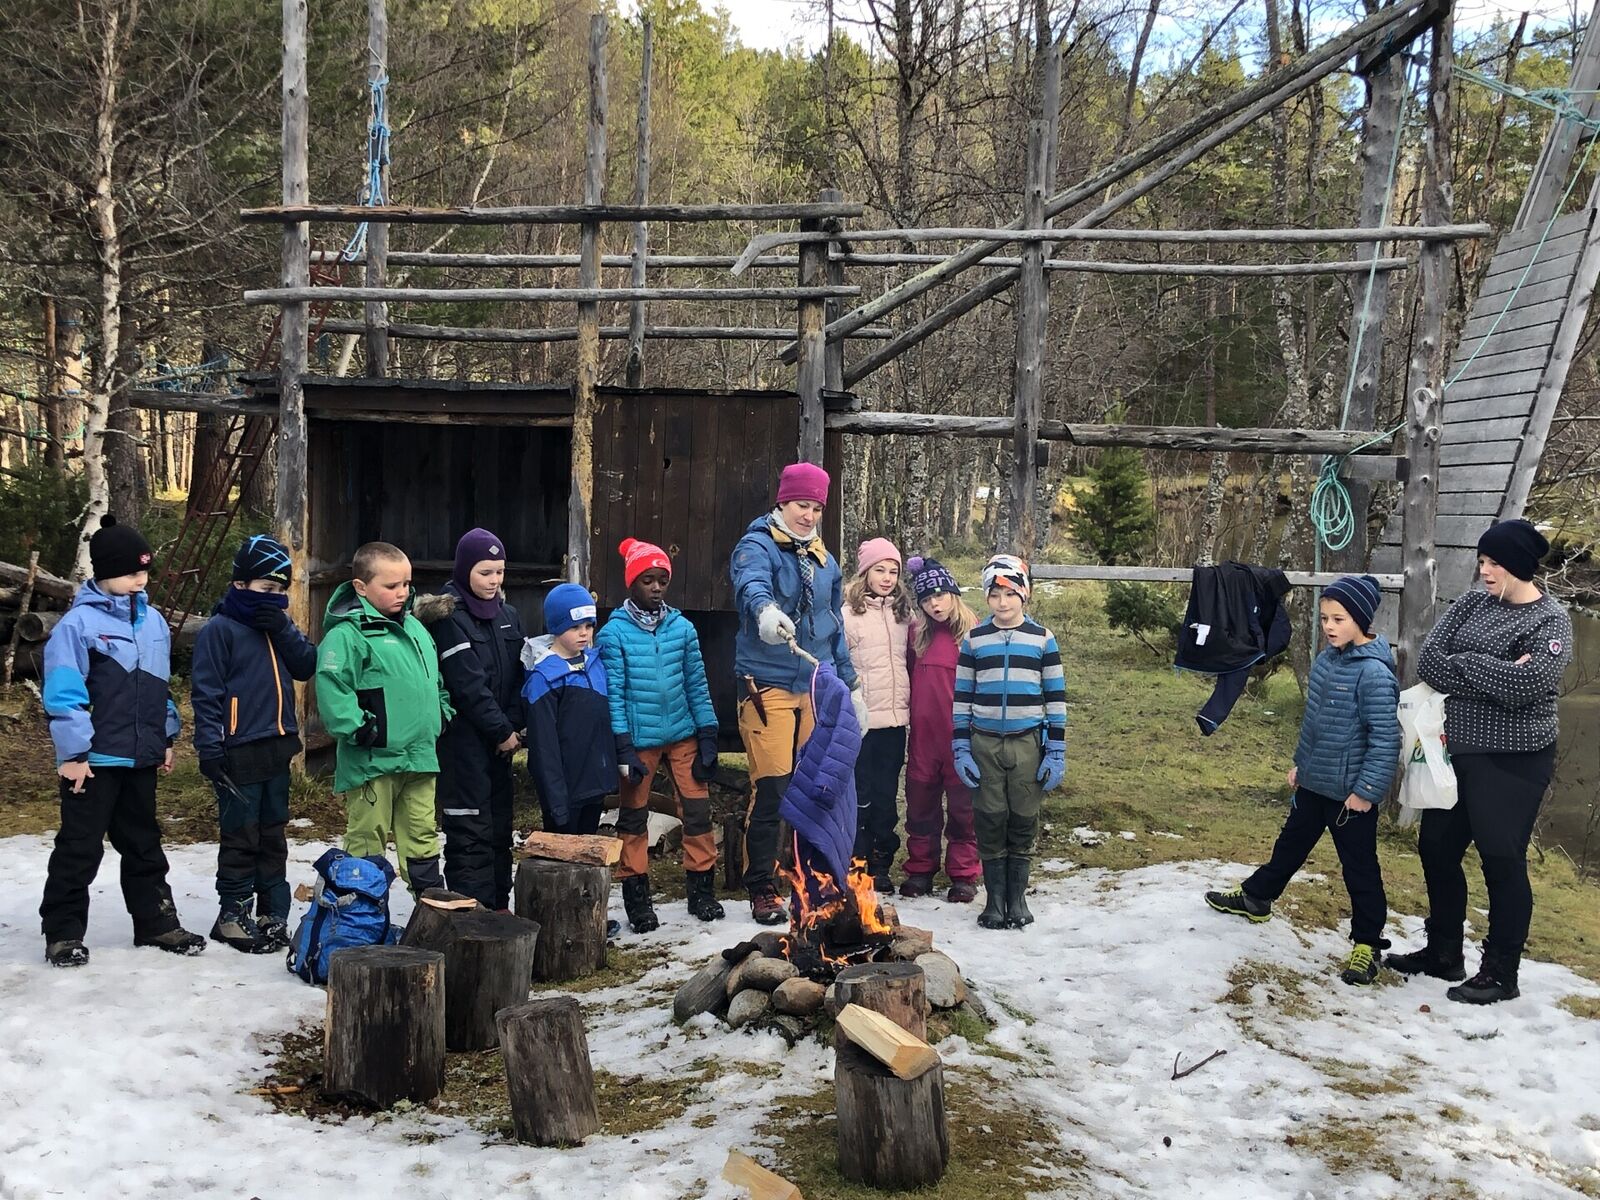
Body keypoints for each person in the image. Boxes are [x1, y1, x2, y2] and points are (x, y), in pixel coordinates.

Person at [1389, 519, 1573, 1004]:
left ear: (1518, 565)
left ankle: (1501, 972)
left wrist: (1464, 666)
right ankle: (1444, 952)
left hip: (1515, 759)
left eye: (1494, 563)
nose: (1485, 571)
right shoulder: (1473, 603)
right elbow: (1430, 661)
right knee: (1436, 848)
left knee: (1500, 858)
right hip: (1456, 751)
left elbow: (1527, 688)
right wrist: (1491, 669)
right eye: (1483, 562)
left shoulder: (1550, 621)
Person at [1204, 575, 1400, 985]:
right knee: (1289, 847)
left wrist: (1365, 792)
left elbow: (1385, 741)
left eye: (1339, 619)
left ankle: (1367, 944)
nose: (1329, 626)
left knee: (1359, 869)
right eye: (1325, 618)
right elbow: (1313, 726)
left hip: (1350, 798)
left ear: (1361, 621)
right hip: (1314, 784)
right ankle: (1257, 897)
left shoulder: (1376, 675)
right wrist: (1300, 765)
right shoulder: (1327, 660)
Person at [38, 516, 206, 966]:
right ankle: (63, 931)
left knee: (144, 844)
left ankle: (156, 923)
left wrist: (165, 736)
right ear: (103, 570)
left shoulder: (152, 622)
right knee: (80, 846)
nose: (140, 579)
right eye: (131, 571)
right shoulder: (78, 626)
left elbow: (157, 686)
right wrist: (72, 754)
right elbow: (64, 695)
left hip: (140, 757)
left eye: (145, 571)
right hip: (93, 760)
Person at [730, 462, 863, 925]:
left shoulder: (825, 562)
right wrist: (765, 612)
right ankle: (761, 886)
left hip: (813, 687)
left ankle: (810, 878)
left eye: (815, 508)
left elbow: (834, 627)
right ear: (783, 502)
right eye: (801, 505)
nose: (808, 515)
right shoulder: (756, 546)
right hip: (765, 687)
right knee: (773, 787)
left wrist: (849, 684)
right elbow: (751, 586)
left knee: (815, 789)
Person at [190, 534, 317, 952]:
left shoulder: (278, 626)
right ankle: (233, 913)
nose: (274, 598)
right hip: (236, 749)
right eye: (266, 589)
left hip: (276, 746)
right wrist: (209, 747)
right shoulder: (220, 630)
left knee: (272, 835)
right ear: (241, 585)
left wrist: (282, 627)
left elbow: (305, 664)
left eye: (281, 590)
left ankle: (273, 912)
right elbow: (206, 693)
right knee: (241, 835)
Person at [597, 538, 724, 932]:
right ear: (631, 582)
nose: (656, 587)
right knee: (634, 817)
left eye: (662, 580)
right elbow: (613, 695)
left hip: (684, 733)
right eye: (647, 579)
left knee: (698, 811)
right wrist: (622, 745)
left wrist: (708, 734)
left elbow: (697, 685)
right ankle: (637, 897)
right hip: (639, 740)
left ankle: (701, 890)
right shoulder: (613, 633)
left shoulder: (682, 628)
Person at [315, 541, 453, 894]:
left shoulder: (416, 629)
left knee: (422, 834)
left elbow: (433, 679)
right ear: (361, 587)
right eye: (391, 586)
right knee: (366, 837)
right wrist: (359, 727)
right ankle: (359, 920)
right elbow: (333, 685)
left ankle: (430, 909)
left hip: (420, 756)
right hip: (373, 759)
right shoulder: (347, 634)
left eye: (406, 584)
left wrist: (442, 711)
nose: (402, 593)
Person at [952, 555, 1065, 930]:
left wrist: (1057, 749)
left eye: (1010, 593)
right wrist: (961, 747)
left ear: (1024, 594)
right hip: (984, 743)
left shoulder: (1042, 639)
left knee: (1022, 817)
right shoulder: (974, 640)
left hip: (1028, 742)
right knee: (990, 816)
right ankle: (994, 901)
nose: (1003, 602)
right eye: (995, 594)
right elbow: (963, 697)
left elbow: (1056, 698)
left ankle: (1017, 899)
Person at [422, 528, 526, 911]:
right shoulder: (449, 617)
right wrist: (501, 730)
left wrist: (513, 727)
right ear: (466, 570)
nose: (494, 580)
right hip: (464, 743)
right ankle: (472, 913)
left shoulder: (509, 615)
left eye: (499, 571)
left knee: (500, 826)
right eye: (485, 572)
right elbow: (467, 685)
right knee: (470, 829)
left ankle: (499, 906)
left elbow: (521, 675)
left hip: (503, 743)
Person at [900, 556, 981, 903]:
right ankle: (920, 868)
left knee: (964, 811)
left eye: (941, 595)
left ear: (953, 594)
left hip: (962, 739)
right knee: (921, 807)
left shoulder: (974, 634)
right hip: (923, 740)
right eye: (927, 599)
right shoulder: (917, 635)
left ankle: (963, 874)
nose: (935, 604)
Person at [841, 537, 912, 894]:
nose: (887, 578)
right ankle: (858, 863)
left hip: (895, 722)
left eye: (893, 571)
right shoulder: (848, 615)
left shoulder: (904, 615)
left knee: (886, 795)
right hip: (862, 722)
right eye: (879, 570)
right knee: (860, 795)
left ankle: (883, 863)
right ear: (866, 572)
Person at [522, 582, 618, 838]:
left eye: (588, 626)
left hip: (594, 785)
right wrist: (556, 803)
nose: (584, 633)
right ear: (555, 626)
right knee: (561, 862)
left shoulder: (596, 665)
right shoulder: (544, 678)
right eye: (574, 627)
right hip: (564, 794)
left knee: (587, 858)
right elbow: (544, 749)